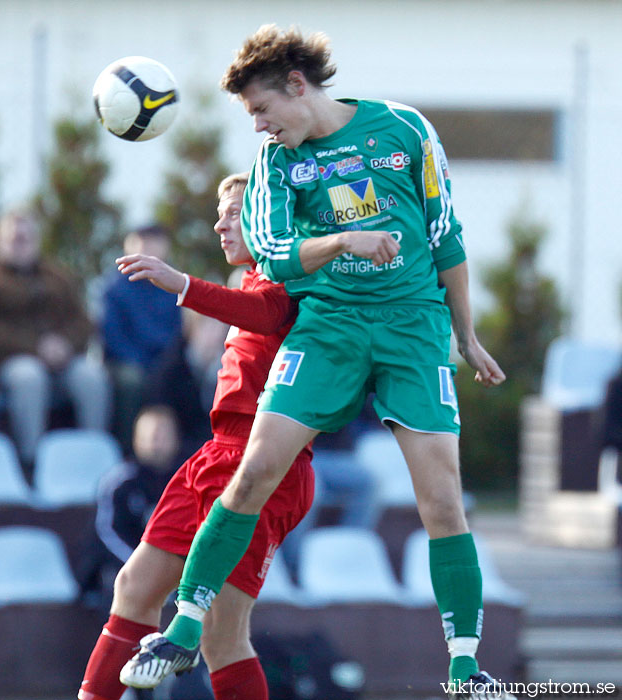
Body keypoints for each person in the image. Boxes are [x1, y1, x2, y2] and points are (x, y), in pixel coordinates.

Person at [122, 25, 512, 700]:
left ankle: (465, 669)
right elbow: (271, 255)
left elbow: (446, 233)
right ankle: (182, 633)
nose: (259, 126)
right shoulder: (276, 165)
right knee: (254, 472)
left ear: (296, 85)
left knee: (444, 502)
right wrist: (347, 241)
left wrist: (467, 333)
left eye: (260, 109)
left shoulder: (405, 129)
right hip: (329, 328)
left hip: (414, 327)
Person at [77, 173, 314, 700]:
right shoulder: (249, 281)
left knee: (223, 637)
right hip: (216, 456)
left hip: (263, 466)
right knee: (134, 589)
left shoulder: (293, 281)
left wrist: (180, 284)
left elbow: (269, 312)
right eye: (219, 211)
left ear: (271, 217)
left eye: (233, 212)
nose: (219, 224)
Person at [0, 210, 111, 467]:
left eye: (26, 238)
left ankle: (93, 458)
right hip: (8, 365)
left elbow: (83, 322)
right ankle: (31, 462)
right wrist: (36, 348)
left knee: (91, 377)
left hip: (64, 362)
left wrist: (64, 345)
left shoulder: (59, 278)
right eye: (14, 239)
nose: (21, 243)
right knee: (29, 377)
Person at [75, 404, 186, 612]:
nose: (156, 443)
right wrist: (143, 567)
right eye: (149, 436)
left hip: (172, 572)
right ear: (136, 439)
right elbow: (107, 534)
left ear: (175, 438)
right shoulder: (120, 482)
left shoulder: (186, 481)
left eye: (162, 436)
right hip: (122, 568)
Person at [101, 226, 185, 453]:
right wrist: (145, 364)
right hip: (127, 364)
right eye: (141, 242)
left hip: (166, 362)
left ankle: (184, 449)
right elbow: (113, 338)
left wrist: (164, 363)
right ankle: (128, 450)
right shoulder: (115, 289)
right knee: (132, 382)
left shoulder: (174, 285)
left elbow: (179, 334)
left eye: (153, 242)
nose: (146, 249)